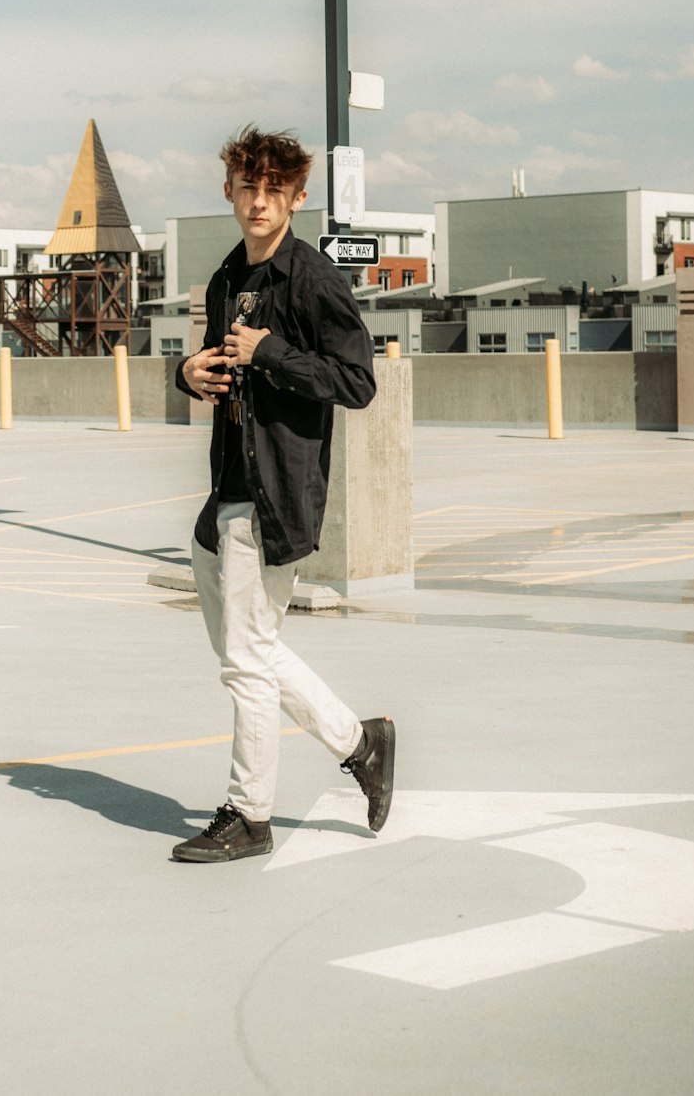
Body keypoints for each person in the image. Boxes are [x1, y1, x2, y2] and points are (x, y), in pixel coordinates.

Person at [171, 125, 395, 864]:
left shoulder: (312, 279)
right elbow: (218, 366)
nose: (259, 201)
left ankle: (250, 815)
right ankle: (361, 744)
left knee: (245, 661)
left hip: (276, 496)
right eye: (248, 186)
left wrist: (271, 352)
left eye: (275, 190)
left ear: (297, 197)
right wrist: (191, 375)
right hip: (225, 491)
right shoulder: (227, 278)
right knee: (250, 652)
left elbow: (356, 381)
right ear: (229, 190)